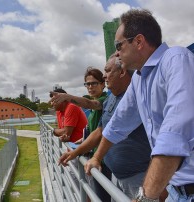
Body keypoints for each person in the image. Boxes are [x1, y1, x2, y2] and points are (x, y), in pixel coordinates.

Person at [85, 9, 194, 202]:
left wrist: (145, 197)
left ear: (138, 41)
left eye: (119, 45)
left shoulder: (176, 59)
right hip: (175, 191)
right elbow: (118, 123)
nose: (117, 52)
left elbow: (175, 133)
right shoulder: (139, 78)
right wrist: (96, 158)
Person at [53, 54, 151, 201]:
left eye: (107, 71)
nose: (105, 76)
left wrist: (68, 98)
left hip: (138, 177)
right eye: (87, 84)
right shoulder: (111, 98)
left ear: (122, 72)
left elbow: (92, 105)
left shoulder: (135, 96)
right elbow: (100, 131)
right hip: (116, 175)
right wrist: (75, 153)